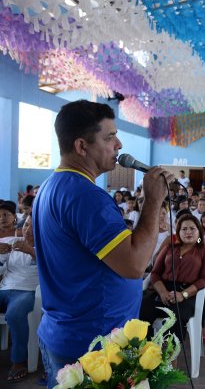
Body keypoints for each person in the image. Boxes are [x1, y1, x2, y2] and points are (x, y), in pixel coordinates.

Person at [32, 100, 176, 389]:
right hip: (94, 344)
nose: (119, 144)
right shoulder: (86, 197)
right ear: (82, 146)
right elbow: (135, 265)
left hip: (67, 332)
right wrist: (152, 201)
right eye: (109, 137)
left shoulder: (50, 187)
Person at [139, 214, 205, 345]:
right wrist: (162, 292)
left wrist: (183, 295)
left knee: (174, 318)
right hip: (163, 291)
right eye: (184, 229)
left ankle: (171, 360)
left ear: (199, 231)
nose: (188, 232)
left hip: (188, 294)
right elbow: (155, 273)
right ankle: (145, 352)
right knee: (141, 309)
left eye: (192, 228)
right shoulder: (169, 248)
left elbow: (204, 280)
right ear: (178, 232)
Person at [0, 212, 38, 383]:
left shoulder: (48, 248)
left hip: (26, 291)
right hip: (4, 288)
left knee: (15, 314)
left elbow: (53, 271)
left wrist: (32, 252)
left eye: (33, 226)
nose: (28, 230)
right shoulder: (11, 242)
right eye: (26, 225)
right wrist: (0, 256)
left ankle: (18, 360)